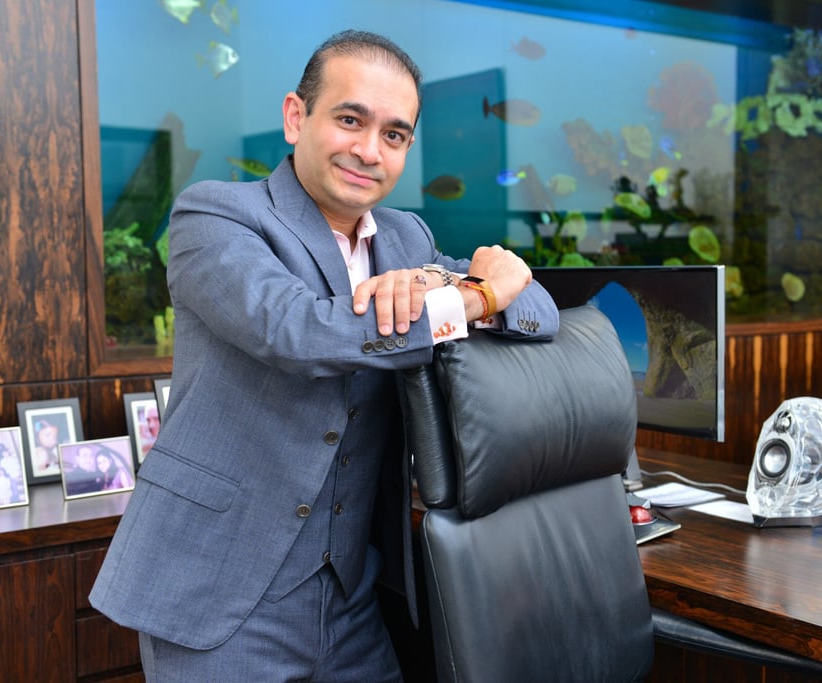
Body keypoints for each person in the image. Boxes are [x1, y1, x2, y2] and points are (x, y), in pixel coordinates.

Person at [90, 29, 559, 681]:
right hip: (223, 598)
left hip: (351, 599)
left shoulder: (407, 237)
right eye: (349, 119)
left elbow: (539, 310)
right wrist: (476, 297)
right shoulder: (216, 215)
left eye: (394, 134)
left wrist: (497, 284)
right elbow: (300, 332)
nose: (369, 150)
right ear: (295, 117)